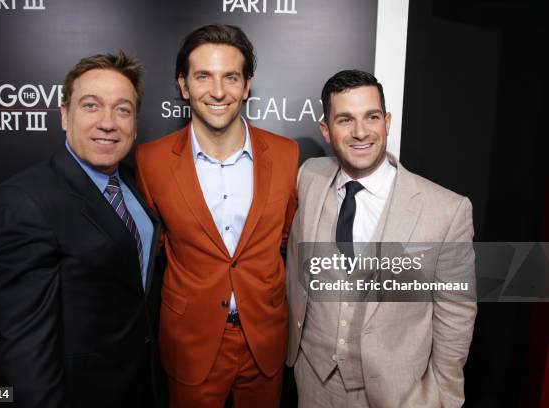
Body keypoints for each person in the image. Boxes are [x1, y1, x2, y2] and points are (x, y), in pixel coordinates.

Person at [0, 51, 162, 408]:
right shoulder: (23, 202)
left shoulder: (132, 184)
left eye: (122, 110)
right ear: (64, 116)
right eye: (91, 106)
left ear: (135, 124)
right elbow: (26, 352)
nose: (108, 123)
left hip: (142, 386)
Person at [286, 69, 476, 407]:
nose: (361, 132)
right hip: (312, 382)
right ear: (326, 131)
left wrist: (443, 396)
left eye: (371, 117)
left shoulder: (447, 211)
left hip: (397, 393)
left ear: (387, 121)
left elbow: (456, 315)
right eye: (345, 120)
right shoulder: (309, 176)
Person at [136, 24, 298, 407]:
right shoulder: (150, 161)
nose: (219, 91)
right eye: (203, 76)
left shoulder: (287, 154)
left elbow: (286, 235)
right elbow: (155, 245)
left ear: (246, 86)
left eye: (231, 77)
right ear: (184, 85)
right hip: (190, 339)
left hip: (264, 336)